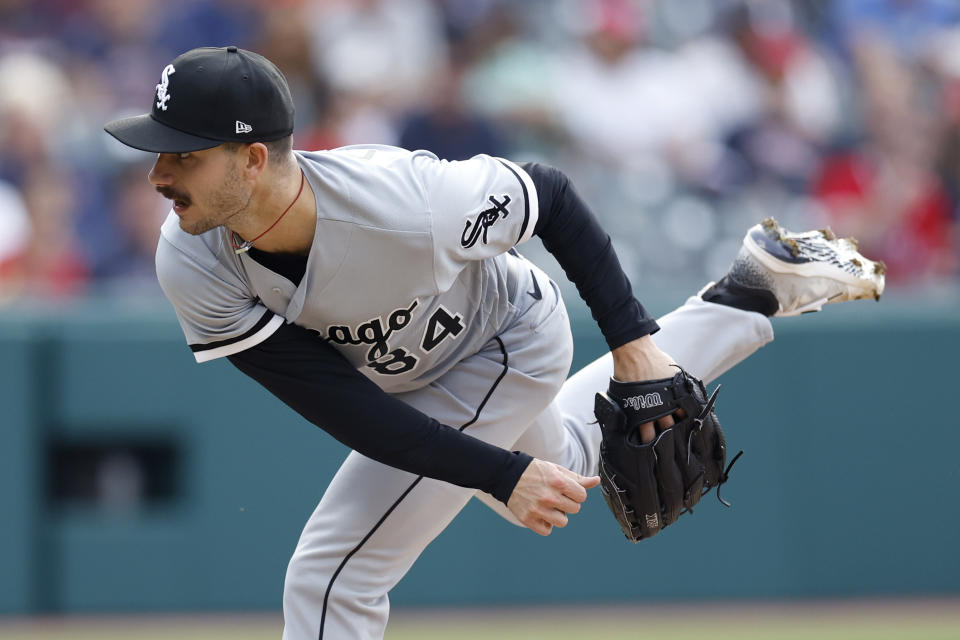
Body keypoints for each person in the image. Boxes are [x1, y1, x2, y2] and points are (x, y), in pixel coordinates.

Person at [104, 46, 885, 640]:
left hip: (504, 336)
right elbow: (343, 406)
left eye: (183, 155)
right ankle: (748, 292)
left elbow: (550, 194)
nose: (159, 175)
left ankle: (718, 312)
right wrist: (502, 472)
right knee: (572, 468)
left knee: (335, 572)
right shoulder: (192, 254)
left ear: (251, 159)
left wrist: (633, 345)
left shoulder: (406, 204)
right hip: (401, 378)